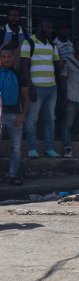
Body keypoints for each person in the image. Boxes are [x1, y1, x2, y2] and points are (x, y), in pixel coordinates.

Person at [21, 18, 61, 158]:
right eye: (48, 28)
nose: (50, 31)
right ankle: (32, 148)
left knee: (50, 119)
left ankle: (49, 148)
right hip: (36, 87)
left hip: (52, 87)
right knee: (32, 119)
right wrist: (30, 87)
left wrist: (62, 64)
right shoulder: (28, 43)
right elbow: (24, 66)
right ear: (39, 27)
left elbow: (57, 64)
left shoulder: (52, 44)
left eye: (51, 28)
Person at [0, 44, 30, 185]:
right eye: (3, 57)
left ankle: (13, 176)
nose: (6, 59)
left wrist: (22, 114)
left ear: (13, 58)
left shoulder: (19, 75)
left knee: (16, 148)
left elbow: (26, 97)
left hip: (15, 116)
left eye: (8, 57)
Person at [3, 7, 31, 72]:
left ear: (20, 17)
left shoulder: (27, 34)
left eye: (16, 15)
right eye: (11, 15)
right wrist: (6, 46)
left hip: (21, 73)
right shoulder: (2, 32)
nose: (13, 17)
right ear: (7, 17)